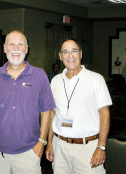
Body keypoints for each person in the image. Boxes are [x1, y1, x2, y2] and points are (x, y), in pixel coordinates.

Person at [0, 30, 56, 174]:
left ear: (27, 49)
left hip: (28, 152)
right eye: (11, 44)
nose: (16, 49)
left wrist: (42, 142)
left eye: (20, 45)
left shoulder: (39, 75)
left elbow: (46, 111)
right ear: (5, 48)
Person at [46, 38, 112, 174]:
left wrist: (101, 147)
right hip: (60, 147)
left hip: (87, 148)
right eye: (66, 52)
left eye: (74, 51)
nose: (70, 56)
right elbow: (53, 114)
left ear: (81, 54)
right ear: (60, 56)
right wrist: (50, 142)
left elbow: (105, 114)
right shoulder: (55, 81)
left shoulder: (96, 79)